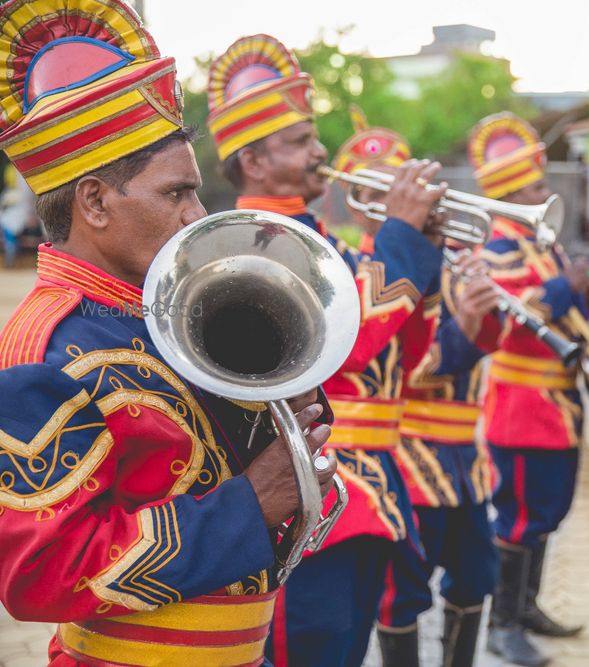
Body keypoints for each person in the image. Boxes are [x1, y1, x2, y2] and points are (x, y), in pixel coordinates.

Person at [0, 2, 338, 665]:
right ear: (94, 201)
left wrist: (289, 426)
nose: (198, 215)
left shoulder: (168, 310)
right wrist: (252, 501)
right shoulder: (42, 343)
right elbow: (37, 572)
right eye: (177, 193)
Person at [206, 37, 444, 667]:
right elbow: (347, 345)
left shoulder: (317, 240)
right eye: (301, 141)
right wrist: (401, 237)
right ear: (253, 161)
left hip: (365, 500)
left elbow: (400, 357)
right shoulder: (253, 243)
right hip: (306, 509)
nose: (319, 152)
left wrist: (430, 259)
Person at [473, 112, 589, 667]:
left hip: (559, 406)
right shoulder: (496, 251)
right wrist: (561, 287)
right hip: (521, 408)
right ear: (506, 193)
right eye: (532, 187)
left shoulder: (540, 246)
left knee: (547, 511)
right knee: (519, 516)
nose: (544, 192)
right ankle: (502, 627)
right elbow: (510, 321)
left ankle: (526, 607)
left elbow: (561, 312)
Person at [376, 243, 502, 666]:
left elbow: (493, 343)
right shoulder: (386, 272)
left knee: (475, 576)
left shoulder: (457, 264)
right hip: (411, 461)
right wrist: (466, 317)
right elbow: (405, 371)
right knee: (402, 592)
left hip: (467, 462)